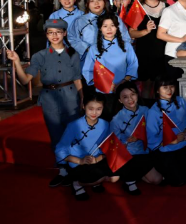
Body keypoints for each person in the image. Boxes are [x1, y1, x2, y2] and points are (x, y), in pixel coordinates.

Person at [7, 18, 82, 188]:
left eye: (58, 32)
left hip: (71, 97)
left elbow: (77, 78)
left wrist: (82, 98)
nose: (54, 35)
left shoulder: (73, 54)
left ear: (64, 33)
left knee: (73, 135)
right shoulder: (39, 56)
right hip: (49, 99)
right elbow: (25, 80)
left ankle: (75, 170)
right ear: (46, 35)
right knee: (56, 136)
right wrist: (16, 62)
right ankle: (63, 172)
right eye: (50, 33)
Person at [55, 92, 118, 201]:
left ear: (103, 108)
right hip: (78, 162)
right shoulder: (74, 125)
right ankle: (77, 184)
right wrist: (80, 161)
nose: (94, 113)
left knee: (115, 177)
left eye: (99, 109)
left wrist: (97, 159)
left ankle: (95, 181)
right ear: (83, 106)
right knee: (97, 177)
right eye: (91, 109)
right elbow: (60, 149)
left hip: (96, 159)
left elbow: (108, 146)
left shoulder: (105, 124)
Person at [147, 77, 186, 187]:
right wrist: (172, 141)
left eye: (171, 86)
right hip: (166, 150)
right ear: (157, 90)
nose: (169, 90)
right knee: (179, 182)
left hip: (183, 145)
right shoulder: (153, 111)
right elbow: (151, 138)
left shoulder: (180, 100)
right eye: (165, 87)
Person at [82, 12, 139, 120]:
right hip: (103, 92)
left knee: (126, 121)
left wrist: (123, 81)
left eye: (112, 25)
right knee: (107, 120)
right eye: (105, 26)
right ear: (100, 28)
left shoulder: (126, 45)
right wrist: (106, 84)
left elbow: (133, 64)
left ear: (117, 27)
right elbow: (87, 71)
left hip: (124, 91)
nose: (109, 29)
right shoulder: (94, 48)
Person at [110, 82, 163, 195]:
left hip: (145, 150)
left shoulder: (146, 110)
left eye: (132, 94)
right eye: (125, 97)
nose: (130, 99)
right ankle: (129, 180)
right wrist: (126, 141)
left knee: (157, 180)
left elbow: (154, 129)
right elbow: (114, 143)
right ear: (120, 100)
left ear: (137, 95)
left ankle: (135, 175)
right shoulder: (116, 119)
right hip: (128, 154)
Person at [128, 0, 166, 99]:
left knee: (164, 86)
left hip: (164, 51)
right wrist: (146, 31)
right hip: (146, 53)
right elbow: (131, 33)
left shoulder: (167, 7)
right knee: (147, 86)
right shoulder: (138, 8)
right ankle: (146, 109)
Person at [69, 0, 132, 64]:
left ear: (104, 2)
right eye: (92, 1)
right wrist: (87, 49)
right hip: (89, 60)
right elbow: (72, 38)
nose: (96, 3)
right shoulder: (80, 21)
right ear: (86, 4)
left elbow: (125, 37)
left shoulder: (115, 18)